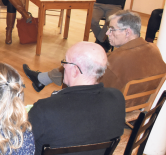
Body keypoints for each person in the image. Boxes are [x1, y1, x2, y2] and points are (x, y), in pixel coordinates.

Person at [28, 41, 125, 155]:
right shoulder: (117, 98)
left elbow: (19, 143)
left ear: (74, 70)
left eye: (64, 62)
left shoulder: (46, 109)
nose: (62, 67)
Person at [23, 10, 166, 104]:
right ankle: (42, 79)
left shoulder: (116, 60)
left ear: (127, 32)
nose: (107, 34)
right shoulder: (154, 49)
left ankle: (42, 80)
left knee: (77, 66)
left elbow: (87, 88)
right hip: (145, 105)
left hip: (118, 108)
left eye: (112, 29)